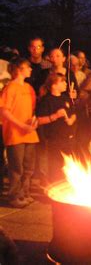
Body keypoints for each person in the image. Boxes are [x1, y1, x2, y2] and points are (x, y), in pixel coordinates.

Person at [0, 58, 39, 208]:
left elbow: (31, 109)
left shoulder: (29, 88)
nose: (30, 69)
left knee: (28, 167)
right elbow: (4, 111)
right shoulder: (10, 88)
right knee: (16, 168)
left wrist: (33, 121)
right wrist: (21, 125)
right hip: (15, 133)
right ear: (18, 69)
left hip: (29, 132)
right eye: (27, 67)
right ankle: (14, 196)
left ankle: (25, 193)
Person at [36, 73, 76, 183]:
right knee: (55, 165)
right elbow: (39, 120)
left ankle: (66, 185)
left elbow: (73, 113)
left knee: (68, 163)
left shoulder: (66, 98)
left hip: (67, 138)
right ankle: (54, 186)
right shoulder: (46, 100)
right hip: (53, 138)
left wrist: (71, 119)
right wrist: (55, 116)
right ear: (53, 85)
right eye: (62, 81)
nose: (65, 83)